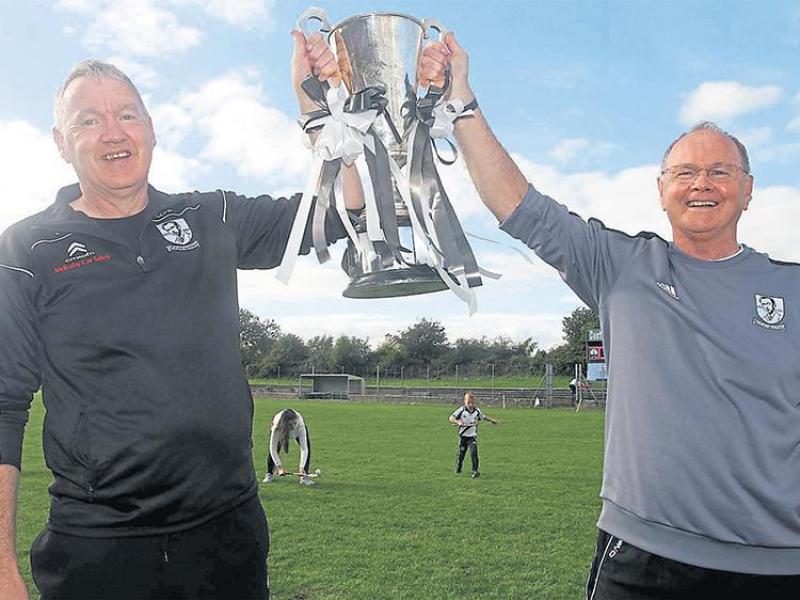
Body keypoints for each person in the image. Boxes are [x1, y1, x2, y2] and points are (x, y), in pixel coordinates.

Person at [420, 33, 800, 599]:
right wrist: (463, 104)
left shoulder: (789, 287)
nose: (701, 183)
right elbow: (519, 205)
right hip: (643, 559)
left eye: (720, 172)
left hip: (776, 568)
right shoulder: (621, 266)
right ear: (661, 189)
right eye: (685, 172)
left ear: (748, 191)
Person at [0, 30, 361, 600]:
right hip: (99, 551)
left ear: (152, 129)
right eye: (88, 121)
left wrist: (322, 111)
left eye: (127, 114)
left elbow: (345, 212)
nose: (113, 132)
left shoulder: (209, 215)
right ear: (60, 143)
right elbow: (2, 407)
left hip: (227, 539)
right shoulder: (25, 251)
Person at [449, 392, 498, 478]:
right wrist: (458, 422)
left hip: (472, 436)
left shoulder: (476, 411)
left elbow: (483, 417)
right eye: (468, 403)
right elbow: (451, 418)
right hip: (463, 436)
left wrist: (492, 420)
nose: (470, 405)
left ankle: (475, 471)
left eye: (472, 403)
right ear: (464, 401)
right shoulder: (461, 410)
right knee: (461, 454)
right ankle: (458, 467)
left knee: (474, 453)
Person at [263, 409, 314, 486]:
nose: (293, 427)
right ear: (285, 424)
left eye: (295, 423)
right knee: (276, 448)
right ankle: (269, 473)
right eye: (290, 425)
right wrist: (279, 466)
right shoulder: (277, 426)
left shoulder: (300, 424)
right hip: (281, 430)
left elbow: (304, 449)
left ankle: (304, 476)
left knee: (307, 447)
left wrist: (301, 467)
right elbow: (272, 448)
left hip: (298, 431)